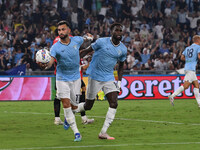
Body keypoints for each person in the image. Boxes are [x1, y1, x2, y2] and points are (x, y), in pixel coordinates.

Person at [39, 20, 93, 142]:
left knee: (74, 108)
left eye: (63, 29)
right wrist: (45, 66)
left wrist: (89, 38)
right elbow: (51, 62)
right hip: (61, 79)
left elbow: (84, 39)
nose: (61, 32)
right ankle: (76, 132)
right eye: (59, 30)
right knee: (66, 104)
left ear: (68, 30)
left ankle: (68, 118)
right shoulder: (55, 47)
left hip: (75, 79)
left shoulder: (76, 40)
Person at [76, 22, 127, 140]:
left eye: (120, 30)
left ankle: (103, 132)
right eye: (117, 30)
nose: (119, 33)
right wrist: (74, 57)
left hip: (108, 77)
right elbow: (86, 51)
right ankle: (72, 111)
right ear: (111, 31)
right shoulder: (101, 42)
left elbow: (121, 66)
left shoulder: (123, 49)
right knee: (88, 106)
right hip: (95, 75)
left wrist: (119, 83)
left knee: (114, 103)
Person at [53, 29, 94, 125]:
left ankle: (80, 118)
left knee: (79, 91)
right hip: (64, 76)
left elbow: (78, 44)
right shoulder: (58, 42)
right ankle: (62, 118)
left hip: (73, 75)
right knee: (60, 97)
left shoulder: (68, 41)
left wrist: (86, 39)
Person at [168, 35, 200, 107]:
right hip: (191, 69)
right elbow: (199, 56)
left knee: (196, 85)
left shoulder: (188, 48)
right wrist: (193, 60)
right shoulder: (198, 47)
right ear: (197, 40)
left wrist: (189, 60)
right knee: (186, 86)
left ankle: (199, 103)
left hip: (187, 68)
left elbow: (182, 58)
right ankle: (172, 96)